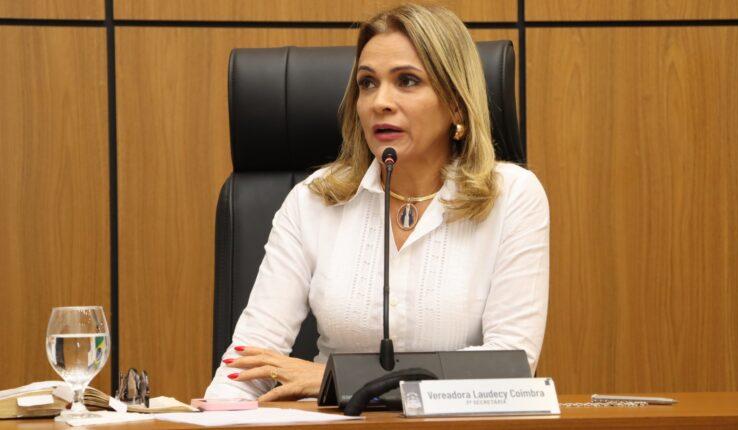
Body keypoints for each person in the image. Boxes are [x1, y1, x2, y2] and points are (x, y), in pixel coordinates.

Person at [205, 3, 549, 401]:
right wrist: (217, 409)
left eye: (407, 81)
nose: (379, 102)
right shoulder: (313, 200)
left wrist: (338, 379)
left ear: (456, 102)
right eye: (367, 83)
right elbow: (249, 361)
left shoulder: (511, 196)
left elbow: (509, 366)